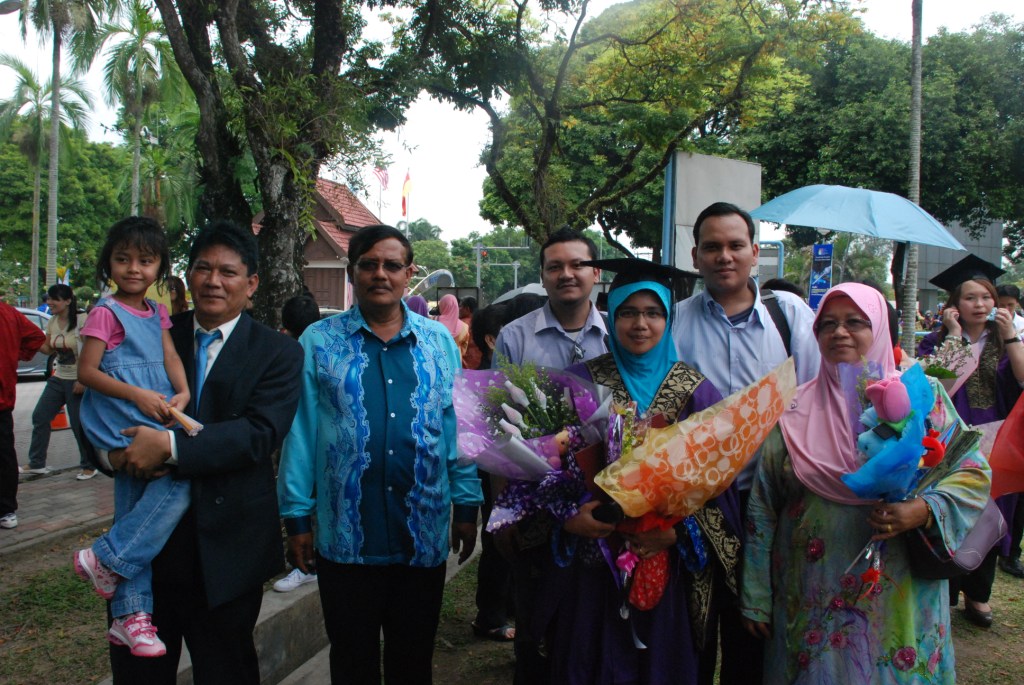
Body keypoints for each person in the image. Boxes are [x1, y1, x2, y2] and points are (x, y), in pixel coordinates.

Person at [741, 282, 991, 684]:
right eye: (827, 324)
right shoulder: (791, 408)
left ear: (878, 328)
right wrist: (756, 595)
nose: (839, 332)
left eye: (854, 322)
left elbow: (973, 472)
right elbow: (763, 505)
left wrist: (923, 510)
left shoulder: (922, 396)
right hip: (812, 588)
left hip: (900, 587)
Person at [278, 225, 482, 685]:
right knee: (353, 663)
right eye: (368, 264)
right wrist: (297, 517)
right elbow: (301, 433)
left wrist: (467, 506)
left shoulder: (439, 343)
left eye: (392, 265)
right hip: (346, 538)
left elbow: (459, 430)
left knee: (413, 661)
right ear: (352, 272)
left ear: (409, 273)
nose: (380, 274)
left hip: (422, 532)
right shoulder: (318, 341)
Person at [102, 219, 303, 683]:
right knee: (138, 673)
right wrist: (109, 457)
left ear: (251, 284)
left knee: (225, 670)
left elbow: (260, 434)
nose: (214, 281)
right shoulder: (150, 332)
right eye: (203, 268)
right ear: (187, 276)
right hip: (147, 552)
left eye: (228, 272)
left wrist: (168, 446)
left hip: (228, 551)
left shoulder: (279, 352)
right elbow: (102, 403)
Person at [544, 258, 740, 685]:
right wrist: (570, 517)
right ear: (611, 316)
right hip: (594, 568)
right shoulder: (579, 382)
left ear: (668, 320)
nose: (640, 324)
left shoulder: (694, 391)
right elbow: (544, 474)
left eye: (653, 313)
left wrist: (677, 533)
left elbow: (719, 489)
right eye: (628, 312)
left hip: (666, 571)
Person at [671, 201, 820, 685]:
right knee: (692, 633)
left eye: (736, 245)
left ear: (755, 252)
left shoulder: (789, 316)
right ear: (695, 256)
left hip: (769, 508)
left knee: (753, 637)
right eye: (712, 247)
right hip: (697, 507)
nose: (724, 256)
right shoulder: (674, 322)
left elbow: (815, 398)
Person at [491, 226, 608, 684]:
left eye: (578, 264)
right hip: (535, 502)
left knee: (596, 625)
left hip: (605, 502)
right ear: (542, 275)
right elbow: (496, 427)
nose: (566, 274)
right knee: (537, 623)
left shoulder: (619, 331)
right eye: (555, 266)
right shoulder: (516, 337)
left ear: (596, 273)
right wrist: (503, 511)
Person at [74, 217, 191, 658]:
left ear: (160, 267)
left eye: (145, 260)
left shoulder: (157, 312)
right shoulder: (105, 312)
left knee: (133, 513)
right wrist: (137, 394)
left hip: (154, 414)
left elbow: (170, 356)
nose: (134, 269)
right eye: (123, 259)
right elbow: (87, 373)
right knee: (178, 482)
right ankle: (110, 560)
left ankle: (129, 614)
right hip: (122, 420)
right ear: (109, 264)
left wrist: (183, 392)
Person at [917, 255, 1024, 627]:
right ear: (954, 304)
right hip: (950, 439)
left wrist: (1010, 336)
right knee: (949, 509)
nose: (980, 304)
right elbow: (938, 387)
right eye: (970, 297)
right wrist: (953, 336)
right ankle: (944, 592)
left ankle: (978, 594)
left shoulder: (1005, 341)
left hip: (997, 439)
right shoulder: (936, 341)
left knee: (991, 514)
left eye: (987, 297)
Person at [22, 284, 98, 479]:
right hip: (58, 377)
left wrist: (84, 379)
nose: (49, 303)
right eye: (48, 299)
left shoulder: (82, 319)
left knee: (78, 424)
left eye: (54, 299)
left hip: (78, 379)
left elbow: (91, 350)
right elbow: (48, 349)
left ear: (67, 301)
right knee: (40, 416)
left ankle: (89, 465)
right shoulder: (52, 321)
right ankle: (37, 463)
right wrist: (26, 339)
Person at [0, 302, 46, 530]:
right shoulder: (8, 312)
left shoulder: (7, 313)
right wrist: (14, 356)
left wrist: (12, 355)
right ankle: (6, 509)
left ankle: (6, 509)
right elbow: (36, 338)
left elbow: (37, 339)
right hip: (3, 398)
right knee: (4, 454)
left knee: (4, 455)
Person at [437, 293, 470, 366]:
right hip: (455, 361)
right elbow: (464, 349)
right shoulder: (465, 327)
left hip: (437, 360)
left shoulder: (433, 321)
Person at [459, 296, 483, 369]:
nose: (459, 309)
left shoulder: (462, 324)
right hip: (481, 362)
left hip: (464, 364)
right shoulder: (482, 321)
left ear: (467, 309)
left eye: (460, 306)